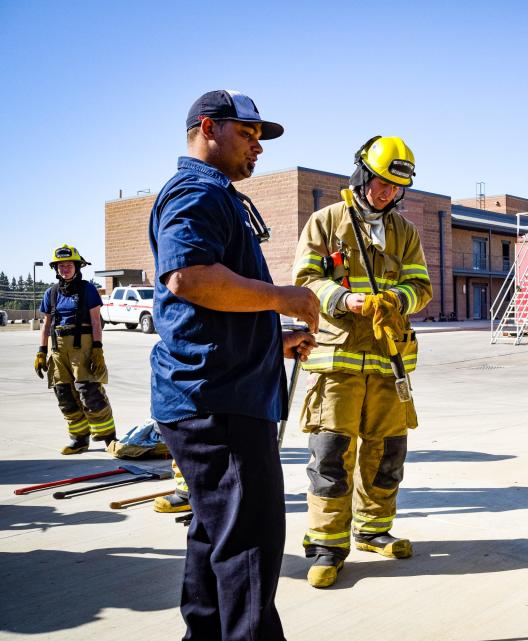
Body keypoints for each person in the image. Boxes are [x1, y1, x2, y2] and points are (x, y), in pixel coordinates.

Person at [149, 89, 320, 641]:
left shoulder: (215, 194)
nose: (257, 147)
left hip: (217, 395)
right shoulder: (196, 192)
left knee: (215, 538)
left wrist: (274, 339)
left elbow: (212, 307)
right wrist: (280, 298)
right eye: (247, 134)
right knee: (250, 546)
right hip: (218, 404)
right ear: (207, 128)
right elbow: (190, 278)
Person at [293, 135, 432, 589]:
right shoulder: (326, 222)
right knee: (330, 457)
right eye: (380, 182)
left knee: (387, 454)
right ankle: (327, 547)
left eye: (395, 187)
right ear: (361, 174)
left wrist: (395, 298)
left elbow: (422, 287)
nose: (386, 192)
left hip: (389, 365)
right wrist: (346, 299)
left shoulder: (405, 233)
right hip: (336, 366)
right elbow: (306, 281)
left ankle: (373, 530)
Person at [35, 245, 116, 454]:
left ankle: (109, 438)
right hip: (58, 350)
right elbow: (46, 324)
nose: (65, 269)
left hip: (83, 347)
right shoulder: (51, 293)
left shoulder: (87, 289)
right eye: (61, 266)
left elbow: (96, 321)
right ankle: (79, 439)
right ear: (56, 269)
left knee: (90, 393)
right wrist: (41, 352)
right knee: (64, 395)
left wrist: (97, 349)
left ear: (77, 266)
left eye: (69, 265)